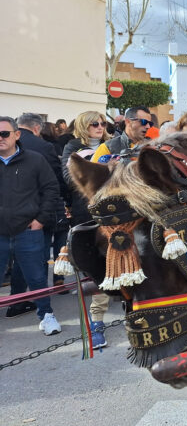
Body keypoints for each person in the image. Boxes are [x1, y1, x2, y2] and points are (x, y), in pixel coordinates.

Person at [0, 116, 61, 335]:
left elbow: (51, 189)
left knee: (36, 277)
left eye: (4, 134)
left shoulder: (35, 160)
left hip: (28, 230)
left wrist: (40, 220)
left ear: (17, 135)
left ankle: (46, 315)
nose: (0, 139)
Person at [61, 111, 111, 348]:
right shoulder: (72, 147)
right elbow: (69, 179)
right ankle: (97, 321)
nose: (100, 127)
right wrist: (95, 165)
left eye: (103, 123)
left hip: (114, 211)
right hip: (87, 212)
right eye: (94, 123)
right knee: (98, 266)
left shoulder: (111, 144)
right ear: (83, 125)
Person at [16, 114, 70, 290]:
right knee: (42, 248)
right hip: (41, 207)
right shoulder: (44, 146)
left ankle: (19, 297)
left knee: (19, 253)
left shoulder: (7, 144)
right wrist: (66, 200)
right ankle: (40, 290)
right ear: (37, 128)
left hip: (13, 209)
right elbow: (56, 178)